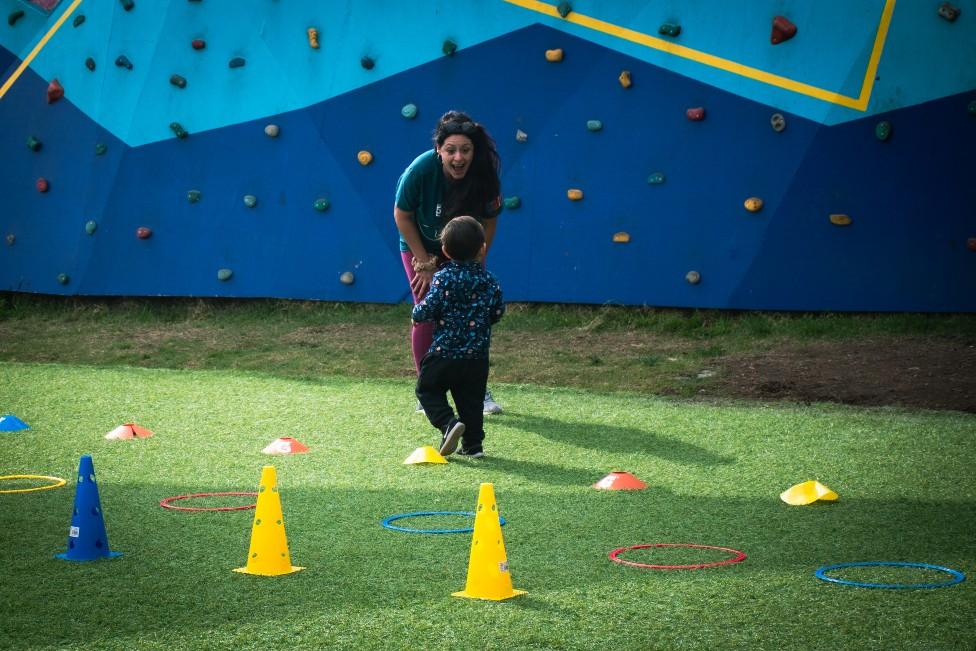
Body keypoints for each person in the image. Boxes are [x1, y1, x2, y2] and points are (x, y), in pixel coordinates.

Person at [393, 110, 504, 415]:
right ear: (438, 150)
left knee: (472, 316)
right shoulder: (421, 170)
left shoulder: (483, 175)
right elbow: (401, 216)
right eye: (451, 150)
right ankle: (426, 388)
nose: (458, 158)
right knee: (428, 309)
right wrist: (424, 261)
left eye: (465, 150)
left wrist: (477, 259)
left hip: (465, 248)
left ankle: (477, 391)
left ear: (474, 151)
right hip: (420, 245)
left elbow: (490, 221)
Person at [412, 216, 505, 458]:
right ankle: (473, 446)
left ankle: (447, 423)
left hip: (445, 352)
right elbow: (497, 312)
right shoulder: (490, 281)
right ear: (482, 248)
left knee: (427, 389)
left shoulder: (443, 278)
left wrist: (417, 314)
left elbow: (430, 306)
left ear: (444, 250)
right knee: (471, 402)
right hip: (477, 356)